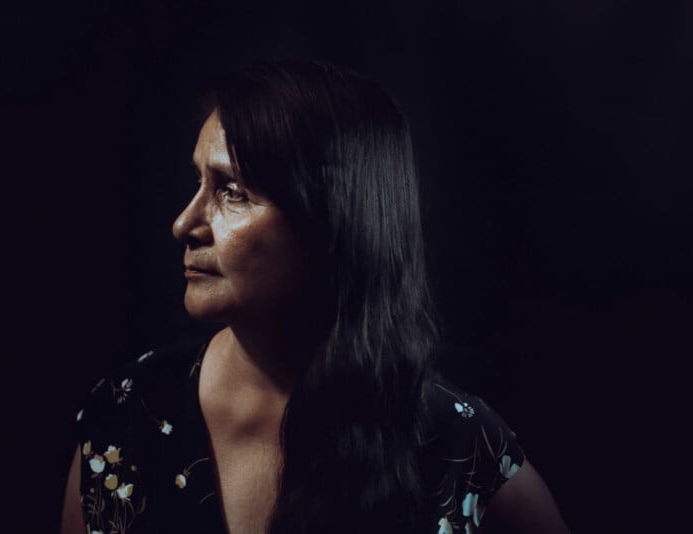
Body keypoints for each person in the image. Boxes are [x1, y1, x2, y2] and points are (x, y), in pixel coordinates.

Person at [61, 59, 569, 534]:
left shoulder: (455, 443)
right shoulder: (126, 417)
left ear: (333, 222)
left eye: (231, 191)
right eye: (198, 182)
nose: (184, 224)